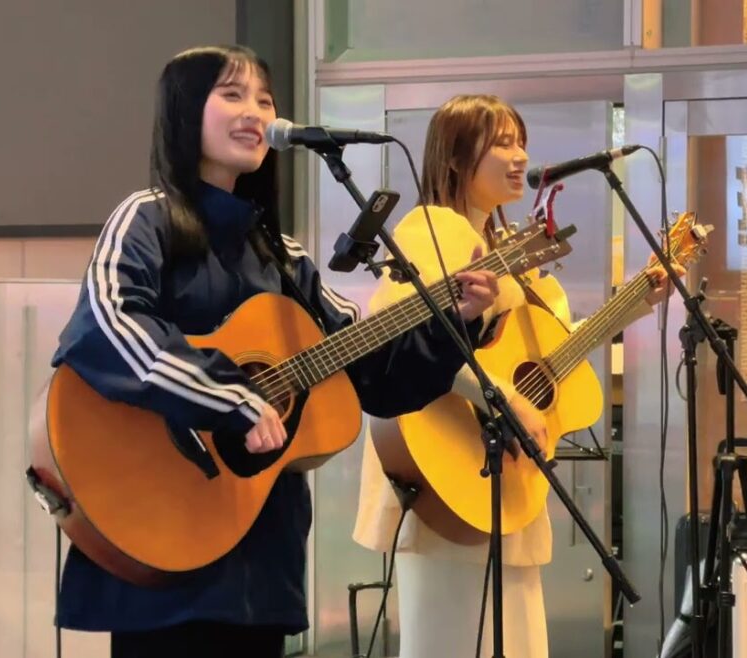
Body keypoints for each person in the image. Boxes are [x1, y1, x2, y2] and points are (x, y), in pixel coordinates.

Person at [48, 47, 501, 658]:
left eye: (265, 99)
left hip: (258, 557)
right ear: (186, 112)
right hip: (157, 523)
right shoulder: (146, 218)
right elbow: (110, 324)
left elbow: (373, 373)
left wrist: (456, 321)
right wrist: (231, 397)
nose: (255, 112)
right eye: (232, 94)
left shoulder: (286, 258)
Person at [353, 94, 680, 657]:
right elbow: (398, 343)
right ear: (455, 158)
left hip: (504, 479)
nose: (518, 155)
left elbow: (551, 351)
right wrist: (500, 396)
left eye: (520, 141)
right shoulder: (428, 231)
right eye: (501, 142)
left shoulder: (514, 253)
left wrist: (636, 302)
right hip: (447, 468)